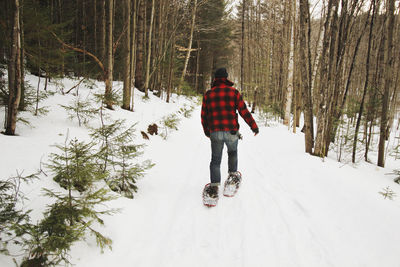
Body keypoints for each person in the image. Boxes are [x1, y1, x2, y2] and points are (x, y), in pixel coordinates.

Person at [201, 67, 259, 199]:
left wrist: (207, 131)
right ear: (226, 78)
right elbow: (244, 111)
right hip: (231, 131)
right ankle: (232, 177)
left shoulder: (208, 94)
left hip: (215, 132)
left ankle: (214, 187)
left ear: (215, 79)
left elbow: (204, 116)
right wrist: (254, 127)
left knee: (215, 160)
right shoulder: (234, 93)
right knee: (232, 153)